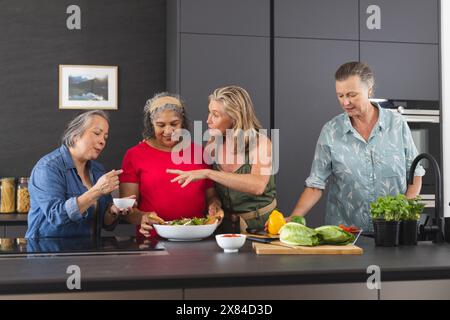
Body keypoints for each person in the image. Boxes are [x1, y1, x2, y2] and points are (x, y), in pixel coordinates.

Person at [287, 61, 425, 231]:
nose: (346, 102)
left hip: (392, 232)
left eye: (352, 95)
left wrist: (404, 212)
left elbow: (415, 173)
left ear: (370, 90)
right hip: (346, 235)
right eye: (340, 95)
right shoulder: (331, 131)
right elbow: (316, 184)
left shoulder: (396, 124)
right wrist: (295, 217)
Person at [167, 85, 276, 233]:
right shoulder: (213, 143)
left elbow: (257, 186)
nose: (208, 120)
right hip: (225, 228)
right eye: (209, 112)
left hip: (262, 227)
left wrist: (208, 173)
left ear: (235, 117)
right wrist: (215, 203)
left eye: (215, 115)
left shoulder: (261, 143)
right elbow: (213, 189)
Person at [118, 93, 223, 238]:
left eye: (174, 124)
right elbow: (127, 210)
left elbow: (211, 195)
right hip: (152, 240)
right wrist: (143, 217)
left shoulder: (199, 152)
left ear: (183, 122)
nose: (168, 131)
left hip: (197, 237)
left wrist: (214, 205)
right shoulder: (134, 155)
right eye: (160, 125)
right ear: (151, 124)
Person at [26, 110, 132, 238]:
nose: (102, 141)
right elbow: (56, 217)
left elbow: (105, 224)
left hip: (87, 252)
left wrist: (113, 212)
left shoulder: (98, 170)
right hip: (49, 252)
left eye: (105, 137)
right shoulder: (47, 168)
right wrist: (96, 191)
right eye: (97, 133)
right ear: (76, 135)